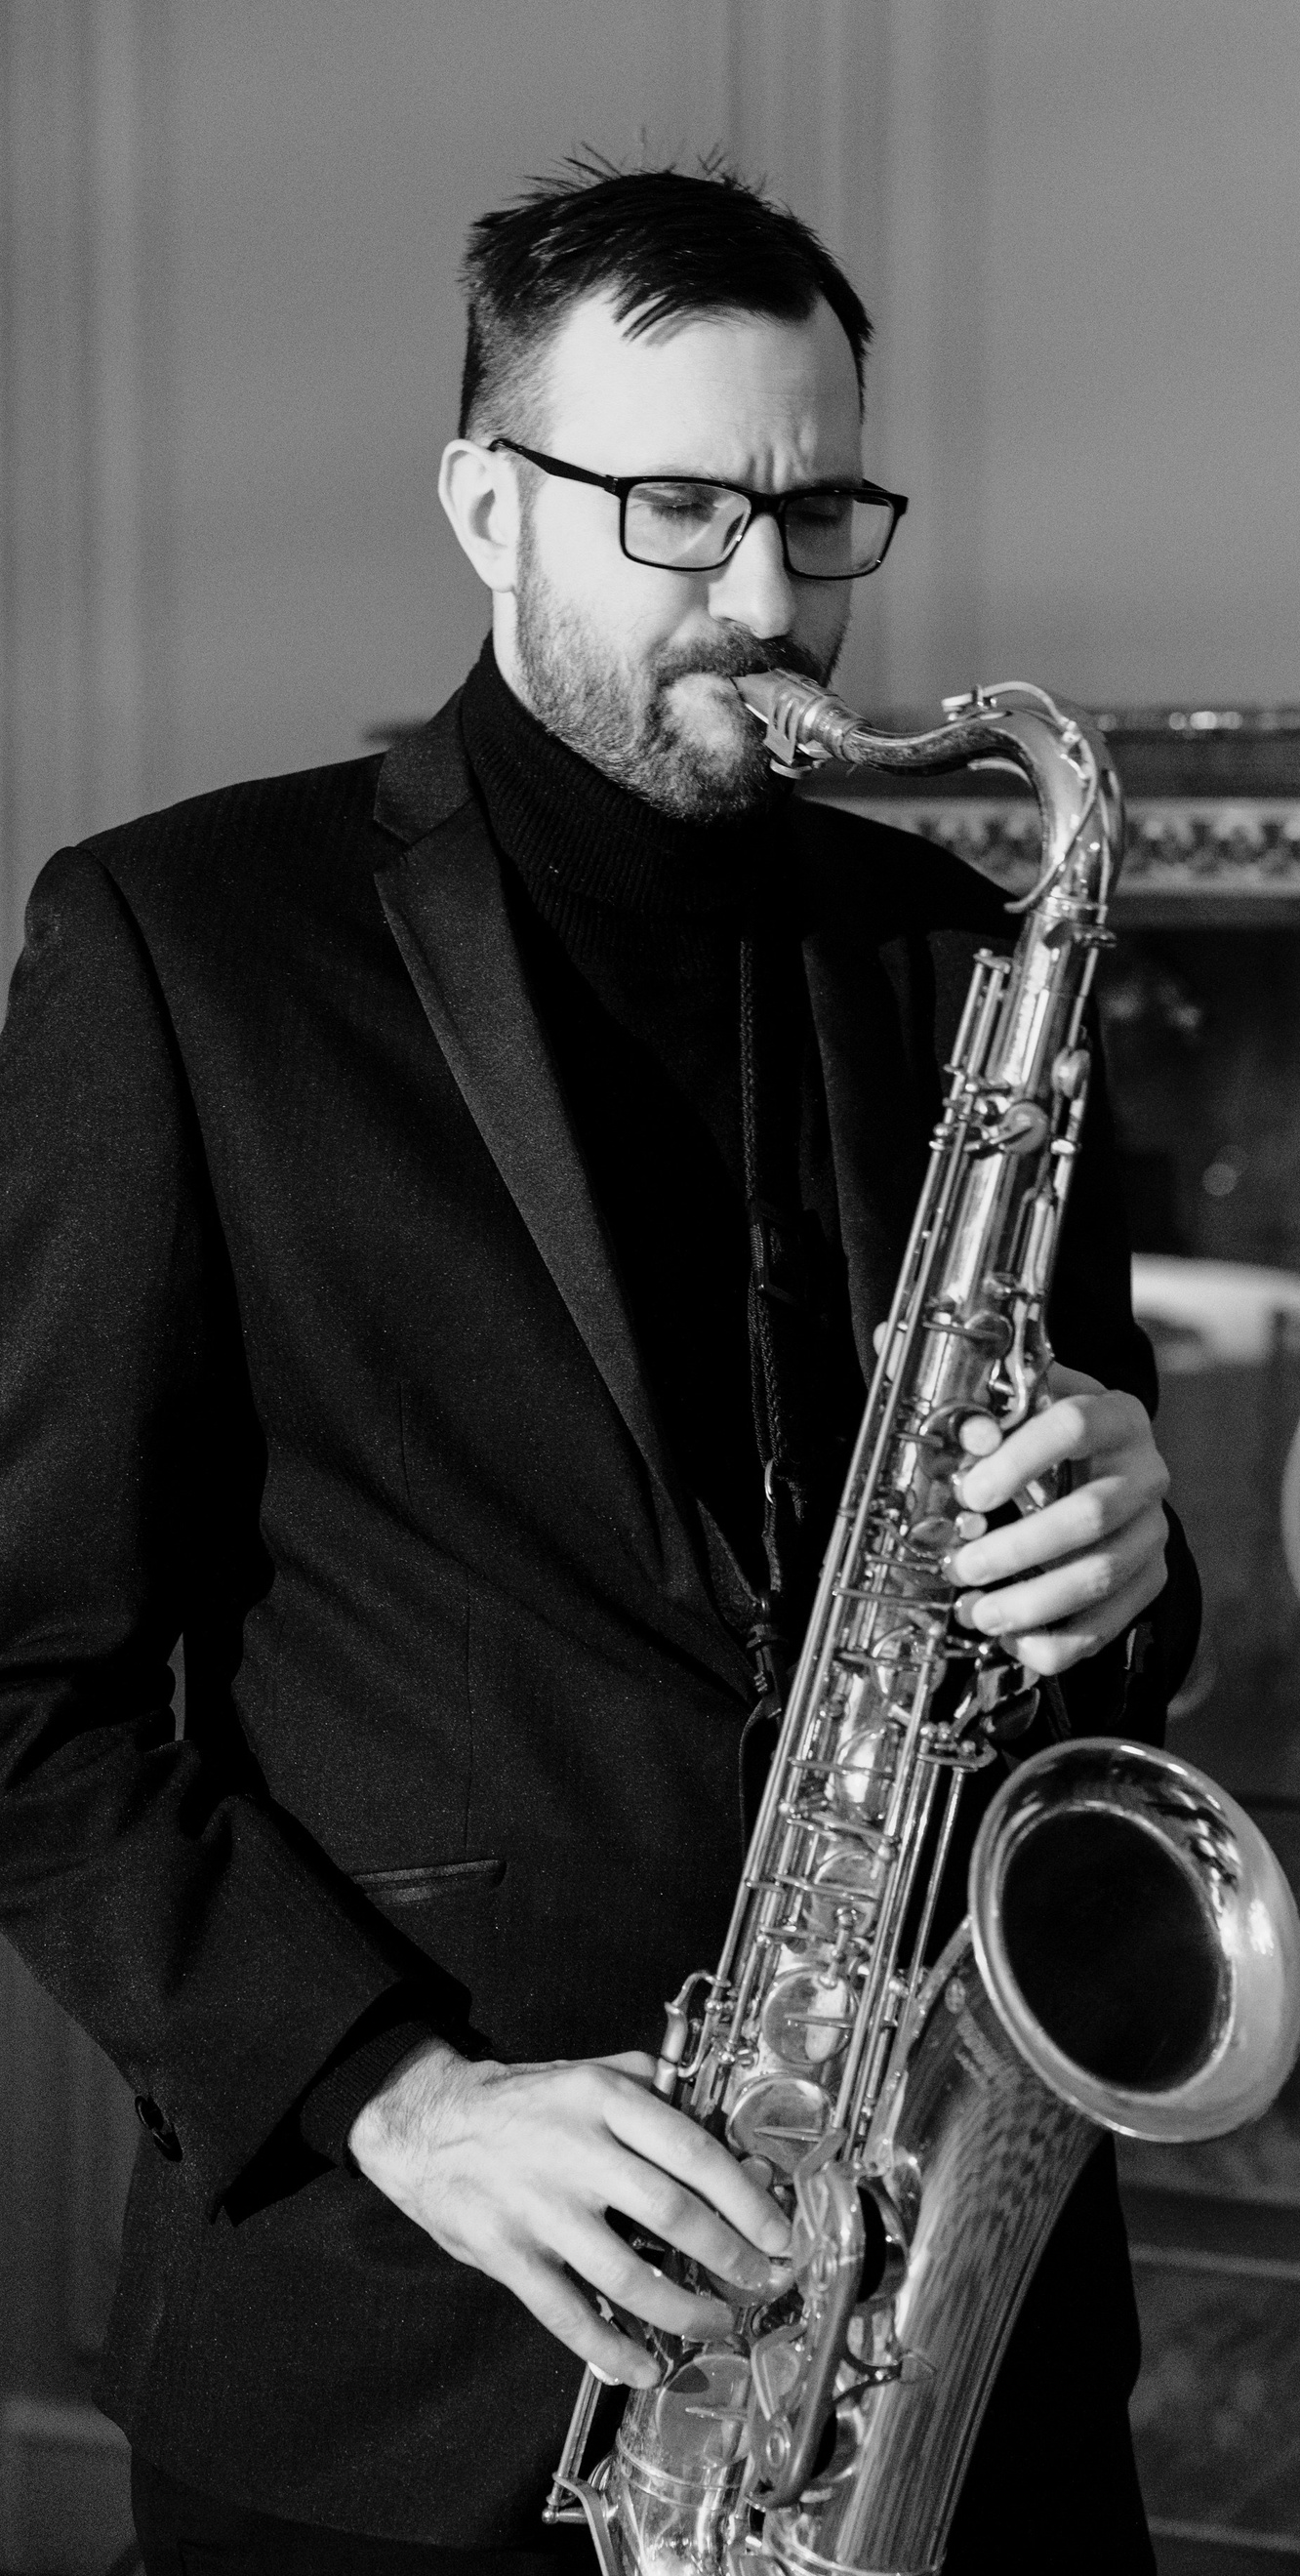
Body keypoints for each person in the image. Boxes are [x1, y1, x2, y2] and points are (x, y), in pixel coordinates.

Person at [0, 159, 1198, 2574]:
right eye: (676, 509)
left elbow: (1080, 1669)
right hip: (406, 2366)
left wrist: (1127, 1562)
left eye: (816, 512)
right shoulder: (188, 946)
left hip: (943, 2369)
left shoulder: (963, 952)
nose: (765, 598)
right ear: (486, 505)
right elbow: (29, 1688)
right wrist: (397, 2099)